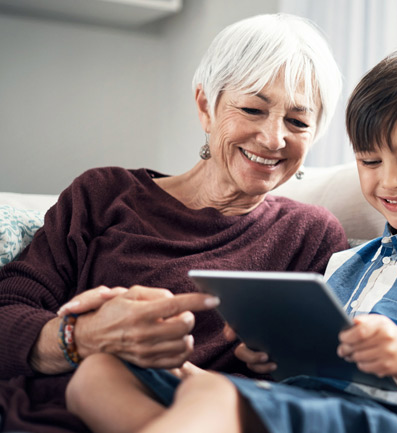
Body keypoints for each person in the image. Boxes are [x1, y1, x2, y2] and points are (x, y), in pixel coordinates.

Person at [66, 47, 397, 433]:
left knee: (213, 391)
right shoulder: (349, 261)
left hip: (387, 419)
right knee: (101, 372)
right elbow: (316, 367)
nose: (389, 181)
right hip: (302, 404)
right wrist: (269, 354)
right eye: (369, 162)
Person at [0, 13, 348, 433]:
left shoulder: (311, 235)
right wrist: (84, 336)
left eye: (298, 121)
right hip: (50, 413)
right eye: (254, 108)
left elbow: (311, 386)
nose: (274, 138)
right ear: (206, 106)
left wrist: (278, 362)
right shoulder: (104, 194)